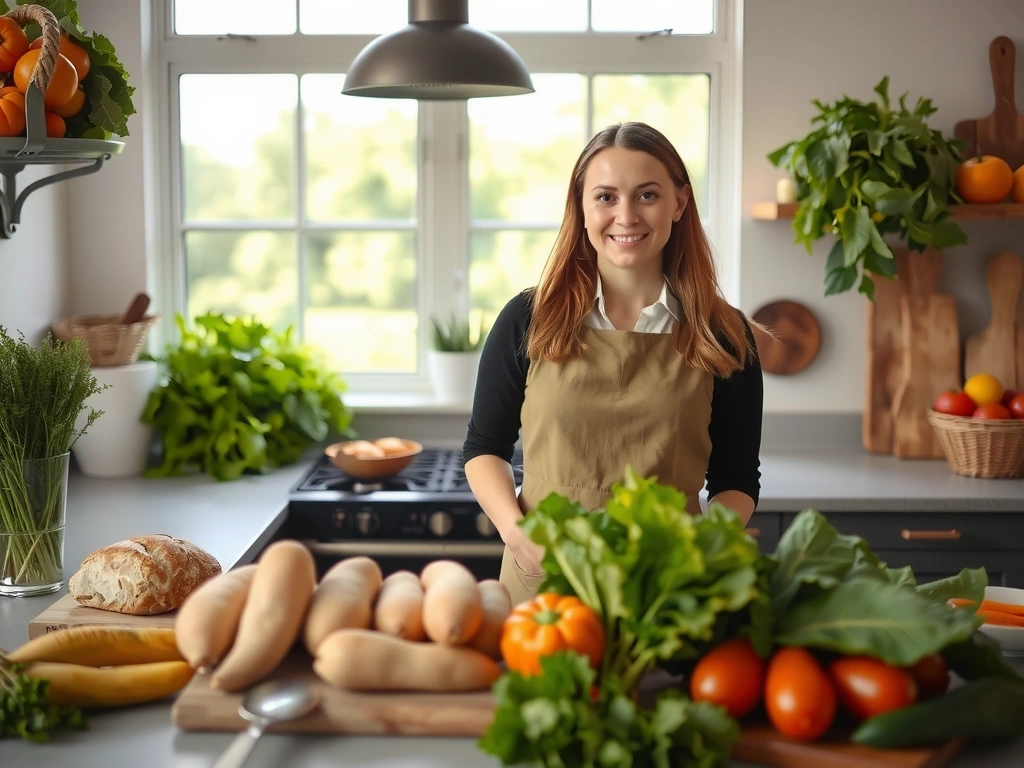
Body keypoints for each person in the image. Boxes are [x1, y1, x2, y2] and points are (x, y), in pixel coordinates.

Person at [463, 121, 764, 607]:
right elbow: (483, 449)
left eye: (647, 195)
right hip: (544, 587)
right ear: (581, 207)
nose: (626, 216)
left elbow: (737, 480)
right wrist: (520, 537)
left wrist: (694, 552)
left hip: (666, 591)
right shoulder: (528, 318)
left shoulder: (723, 333)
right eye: (605, 197)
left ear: (679, 204)